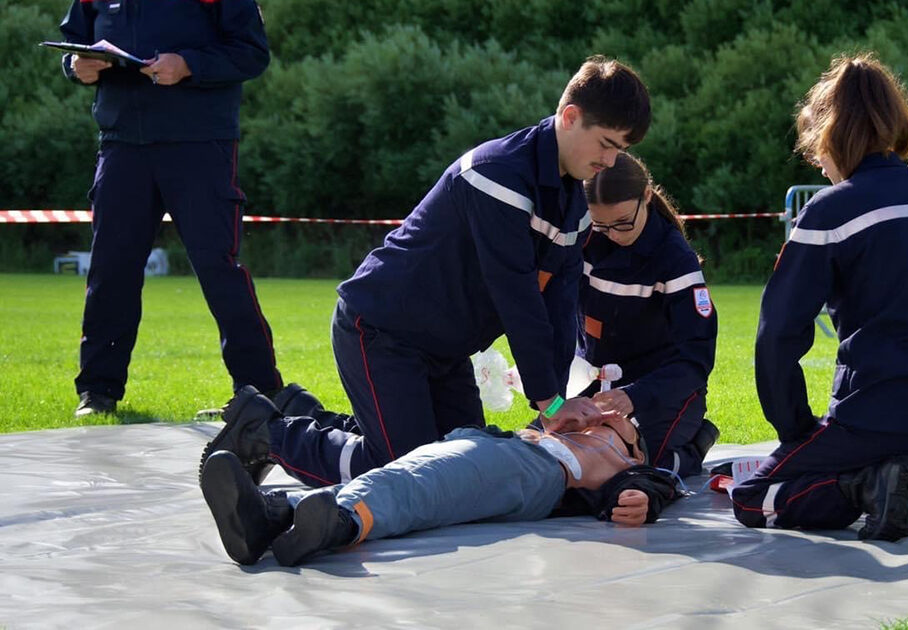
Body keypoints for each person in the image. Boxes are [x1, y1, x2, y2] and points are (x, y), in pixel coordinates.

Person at [199, 57, 653, 487]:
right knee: (404, 475)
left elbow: (558, 305)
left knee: (464, 467)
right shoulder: (497, 175)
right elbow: (517, 297)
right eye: (607, 145)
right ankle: (263, 434)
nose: (611, 162)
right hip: (382, 330)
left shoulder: (573, 204)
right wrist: (548, 401)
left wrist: (553, 398)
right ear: (570, 117)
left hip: (444, 351)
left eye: (622, 150)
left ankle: (294, 409)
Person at [731, 53, 908, 542]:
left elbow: (778, 335)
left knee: (752, 497)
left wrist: (796, 427)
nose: (819, 167)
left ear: (829, 137)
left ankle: (867, 488)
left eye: (815, 154)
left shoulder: (827, 213)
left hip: (876, 418)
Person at [59, 0, 283, 417]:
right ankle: (98, 391)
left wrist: (188, 65)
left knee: (219, 268)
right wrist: (75, 66)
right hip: (121, 142)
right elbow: (75, 43)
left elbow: (252, 53)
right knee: (111, 269)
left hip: (201, 143)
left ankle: (260, 391)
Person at [199, 387, 679, 566]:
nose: (603, 409)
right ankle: (273, 517)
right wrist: (560, 413)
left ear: (635, 444)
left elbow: (656, 486)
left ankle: (342, 518)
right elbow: (545, 413)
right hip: (503, 446)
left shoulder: (631, 461)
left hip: (536, 472)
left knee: (414, 486)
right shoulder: (575, 425)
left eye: (616, 415)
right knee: (405, 475)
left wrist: (637, 493)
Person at [577, 152, 719, 478]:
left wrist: (633, 396)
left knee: (618, 465)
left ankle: (691, 451)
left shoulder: (674, 259)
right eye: (601, 224)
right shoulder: (585, 238)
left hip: (664, 393)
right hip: (594, 383)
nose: (612, 234)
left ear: (646, 196)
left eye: (623, 222)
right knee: (547, 445)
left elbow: (695, 360)